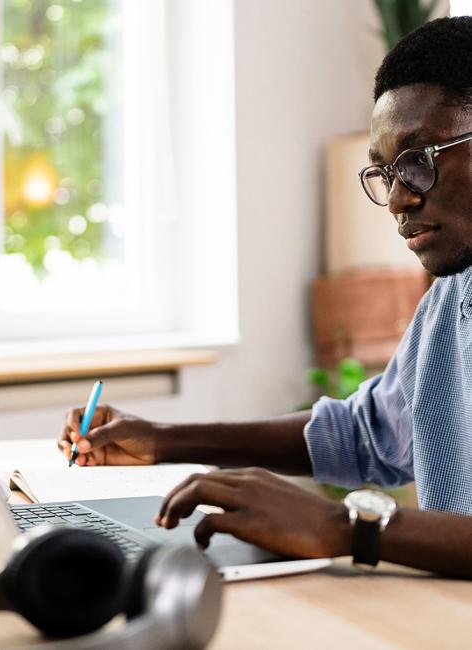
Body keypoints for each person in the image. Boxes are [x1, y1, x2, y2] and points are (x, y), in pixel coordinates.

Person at [58, 16, 472, 579]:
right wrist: (162, 441)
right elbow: (363, 433)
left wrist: (340, 526)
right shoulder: (454, 297)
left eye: (418, 159)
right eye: (384, 170)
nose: (398, 198)